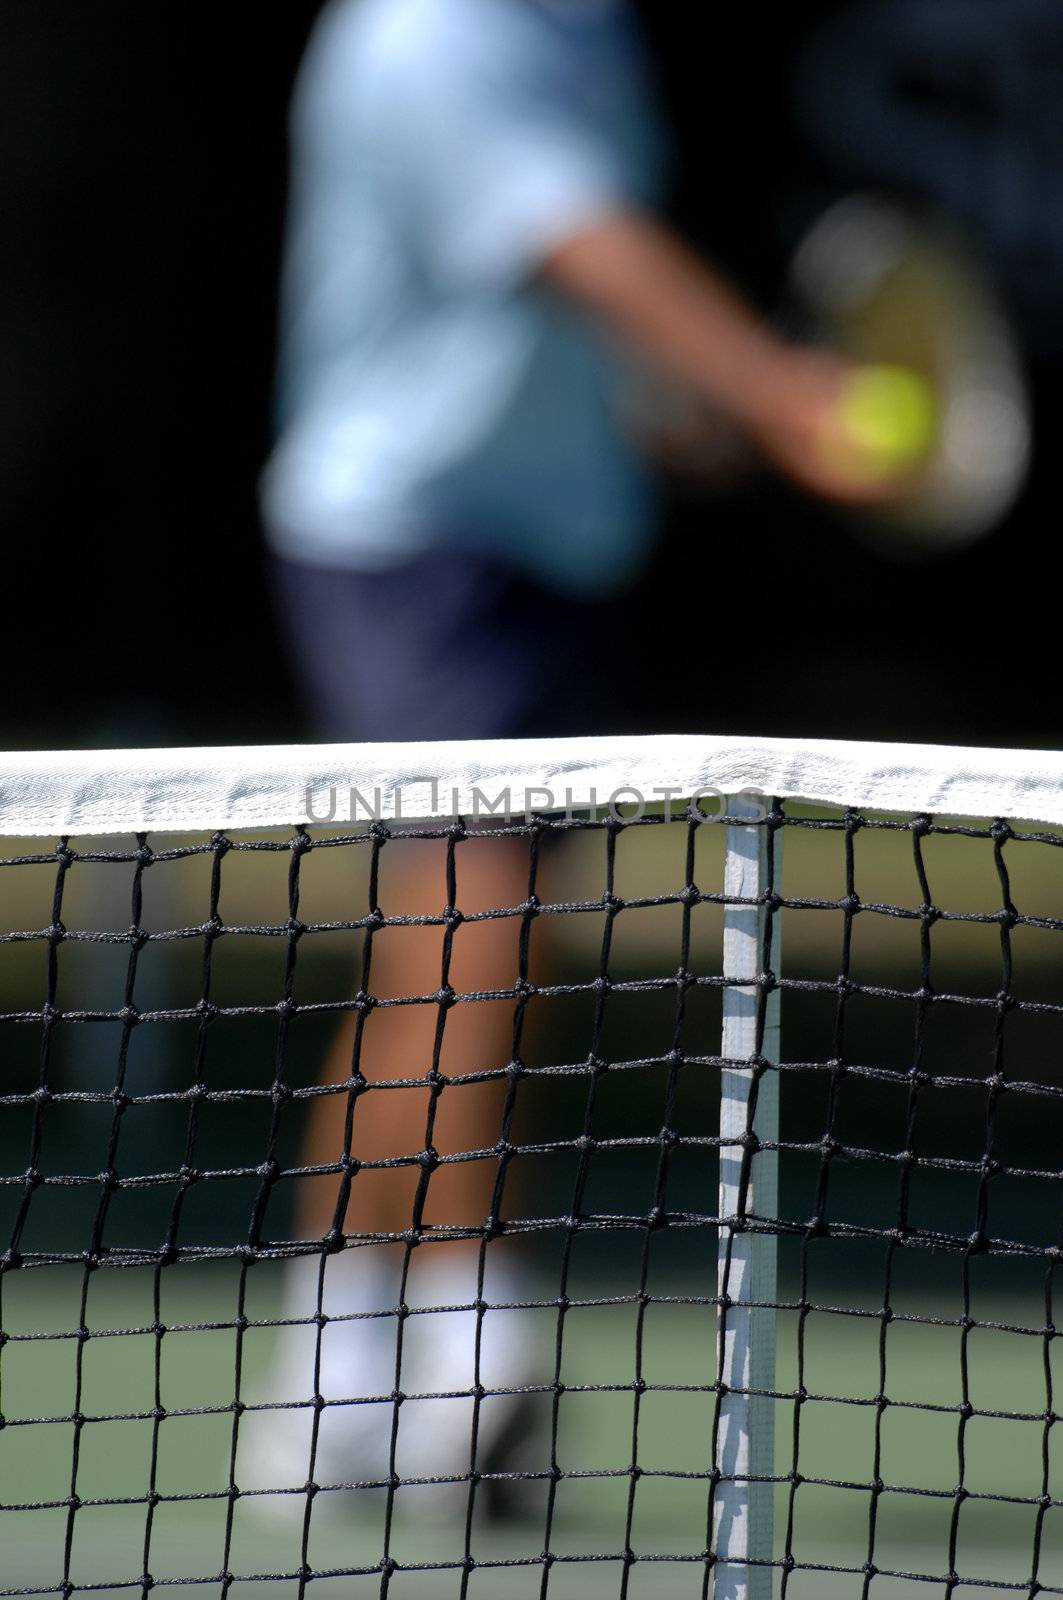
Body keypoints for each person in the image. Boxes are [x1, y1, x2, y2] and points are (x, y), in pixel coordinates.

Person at [239, 0, 897, 1519]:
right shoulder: (425, 35)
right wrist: (780, 393)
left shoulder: (582, 30)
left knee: (446, 948)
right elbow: (578, 245)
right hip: (410, 539)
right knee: (479, 927)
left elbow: (572, 306)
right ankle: (468, 1356)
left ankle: (335, 1375)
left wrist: (667, 406)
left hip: (552, 540)